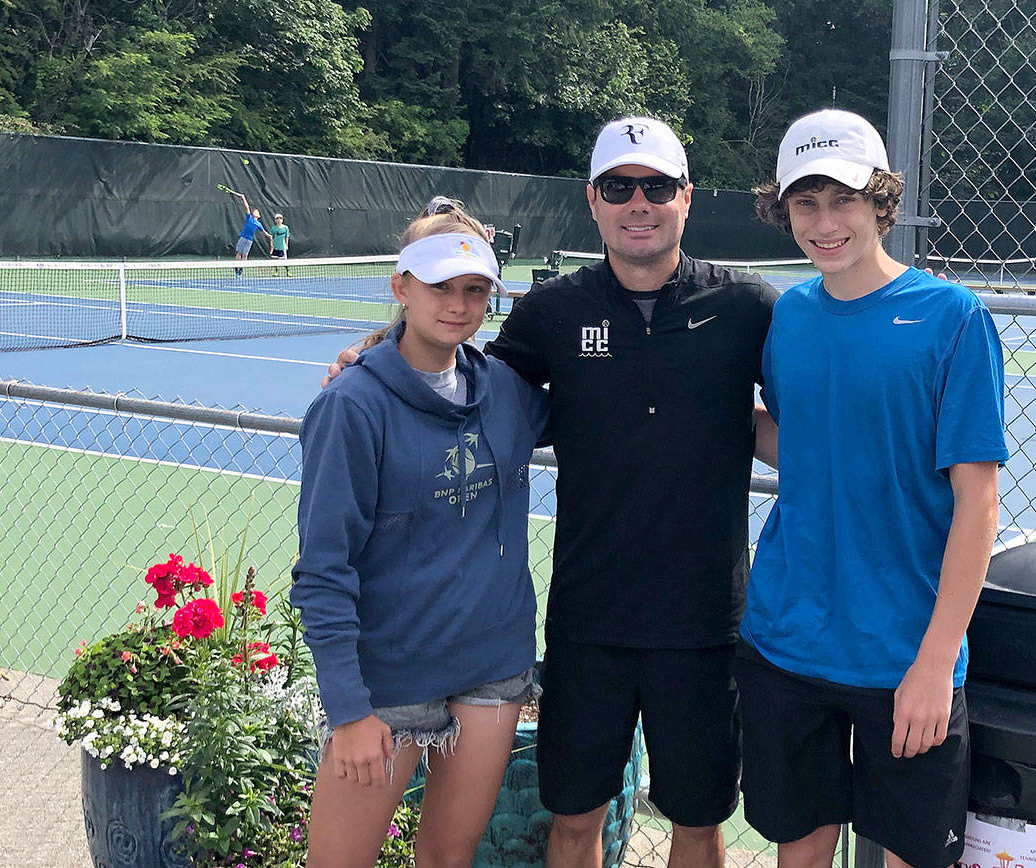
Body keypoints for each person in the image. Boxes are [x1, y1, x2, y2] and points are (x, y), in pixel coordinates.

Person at [326, 117, 779, 868]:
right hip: (587, 622)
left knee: (698, 825)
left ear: (687, 199)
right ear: (593, 201)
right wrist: (375, 353)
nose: (639, 202)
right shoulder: (551, 312)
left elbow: (794, 421)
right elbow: (462, 384)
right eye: (619, 187)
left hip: (705, 626)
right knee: (576, 822)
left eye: (657, 186)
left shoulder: (748, 308)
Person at [739, 108, 1007, 868]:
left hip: (905, 658)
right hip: (787, 639)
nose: (824, 223)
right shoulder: (788, 316)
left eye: (844, 200)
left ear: (881, 201)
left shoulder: (952, 318)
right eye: (805, 203)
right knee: (801, 851)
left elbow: (977, 505)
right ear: (782, 207)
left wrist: (933, 662)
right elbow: (803, 446)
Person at [291, 201, 549, 867]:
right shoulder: (351, 406)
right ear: (401, 286)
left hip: (491, 669)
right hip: (388, 681)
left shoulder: (510, 394)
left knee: (447, 860)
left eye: (474, 291)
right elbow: (322, 573)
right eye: (439, 287)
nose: (458, 305)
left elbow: (609, 409)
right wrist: (348, 713)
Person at [232, 192, 268, 276]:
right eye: (255, 211)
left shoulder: (259, 224)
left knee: (245, 255)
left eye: (257, 211)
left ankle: (241, 270)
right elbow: (247, 207)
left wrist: (269, 236)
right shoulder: (249, 218)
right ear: (253, 213)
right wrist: (243, 198)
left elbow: (264, 232)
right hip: (243, 237)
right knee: (238, 253)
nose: (257, 212)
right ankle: (237, 268)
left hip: (249, 240)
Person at [269, 212, 291, 277]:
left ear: (282, 220)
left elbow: (286, 237)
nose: (279, 220)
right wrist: (271, 244)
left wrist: (286, 245)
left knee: (285, 261)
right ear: (275, 220)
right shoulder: (273, 228)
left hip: (282, 247)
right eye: (277, 219)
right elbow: (271, 237)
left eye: (280, 218)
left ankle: (288, 271)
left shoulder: (285, 228)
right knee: (275, 260)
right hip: (275, 247)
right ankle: (276, 272)